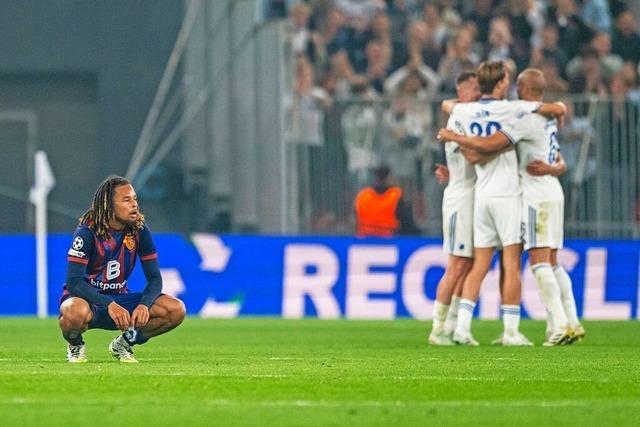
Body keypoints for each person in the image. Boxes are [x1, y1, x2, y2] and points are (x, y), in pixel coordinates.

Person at [439, 68, 584, 345]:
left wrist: (455, 137)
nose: (513, 88)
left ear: (524, 89)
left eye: (517, 84)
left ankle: (462, 328)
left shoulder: (513, 116)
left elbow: (486, 143)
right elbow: (558, 144)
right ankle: (547, 326)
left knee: (489, 265)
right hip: (528, 194)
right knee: (538, 264)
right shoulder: (526, 114)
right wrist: (555, 166)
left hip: (492, 195)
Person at [58, 176, 186, 363]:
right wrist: (109, 304)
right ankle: (75, 345)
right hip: (88, 301)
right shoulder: (86, 232)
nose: (134, 204)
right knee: (73, 313)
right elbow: (74, 282)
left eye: (134, 199)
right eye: (126, 200)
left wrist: (144, 305)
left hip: (120, 299)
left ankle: (124, 344)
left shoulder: (139, 230)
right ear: (108, 205)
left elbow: (154, 278)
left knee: (175, 309)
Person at [428, 71, 480, 346]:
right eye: (473, 87)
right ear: (461, 92)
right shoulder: (460, 118)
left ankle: (453, 326)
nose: (479, 91)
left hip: (471, 194)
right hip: (460, 199)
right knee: (457, 264)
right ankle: (437, 329)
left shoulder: (469, 116)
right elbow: (473, 156)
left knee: (468, 264)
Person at [354, 165, 418, 237]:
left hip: (364, 240)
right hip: (389, 240)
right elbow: (407, 223)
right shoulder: (395, 196)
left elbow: (356, 220)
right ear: (389, 178)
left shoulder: (362, 196)